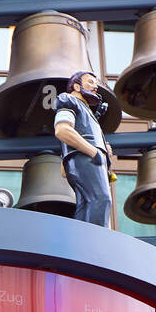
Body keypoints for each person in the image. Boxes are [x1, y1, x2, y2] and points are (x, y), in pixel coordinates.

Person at [54, 69, 115, 228]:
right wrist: (93, 151)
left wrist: (103, 152)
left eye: (96, 83)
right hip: (87, 158)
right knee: (101, 199)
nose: (95, 87)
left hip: (89, 160)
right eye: (90, 82)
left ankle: (83, 240)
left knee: (87, 202)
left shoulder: (87, 112)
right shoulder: (69, 100)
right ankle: (97, 242)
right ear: (76, 86)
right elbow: (62, 130)